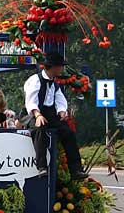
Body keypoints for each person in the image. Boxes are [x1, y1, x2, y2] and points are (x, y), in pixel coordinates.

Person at [23, 52, 88, 180]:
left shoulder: (54, 82)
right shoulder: (35, 80)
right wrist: (38, 115)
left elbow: (60, 99)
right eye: (60, 66)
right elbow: (30, 101)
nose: (62, 69)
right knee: (39, 129)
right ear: (53, 67)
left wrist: (62, 111)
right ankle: (41, 166)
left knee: (68, 132)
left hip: (50, 114)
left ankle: (75, 169)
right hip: (33, 113)